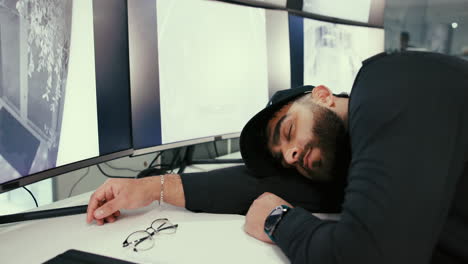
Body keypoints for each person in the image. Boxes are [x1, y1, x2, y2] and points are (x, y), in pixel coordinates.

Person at [87, 51, 468, 263]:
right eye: (287, 157)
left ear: (321, 94)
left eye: (287, 131)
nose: (292, 153)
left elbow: (364, 257)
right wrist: (151, 188)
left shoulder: (387, 83)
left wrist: (278, 221)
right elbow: (258, 184)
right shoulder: (365, 158)